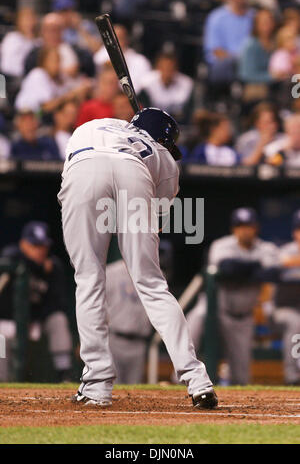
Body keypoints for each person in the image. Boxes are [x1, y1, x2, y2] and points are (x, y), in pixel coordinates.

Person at [58, 107, 217, 409]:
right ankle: (198, 382)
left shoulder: (95, 124)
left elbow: (71, 168)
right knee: (151, 284)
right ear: (163, 139)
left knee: (89, 279)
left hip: (83, 166)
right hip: (134, 171)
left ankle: (97, 386)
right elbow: (159, 216)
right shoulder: (164, 157)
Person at [208, 207, 279, 384]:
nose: (245, 230)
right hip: (217, 311)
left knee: (241, 376)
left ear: (256, 228)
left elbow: (271, 273)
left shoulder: (266, 248)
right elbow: (227, 268)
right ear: (234, 229)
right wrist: (255, 268)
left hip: (243, 317)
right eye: (240, 226)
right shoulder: (221, 245)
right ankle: (177, 381)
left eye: (249, 225)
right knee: (195, 323)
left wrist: (241, 269)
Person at [0, 221, 73, 382]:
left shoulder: (54, 267)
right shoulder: (12, 258)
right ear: (23, 244)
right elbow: (9, 253)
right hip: (6, 322)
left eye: (43, 246)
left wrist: (36, 319)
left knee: (58, 320)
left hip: (35, 322)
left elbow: (58, 304)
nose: (40, 251)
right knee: (0, 342)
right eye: (34, 245)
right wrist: (39, 267)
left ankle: (64, 374)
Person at [106, 259, 152, 384]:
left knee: (134, 391)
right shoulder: (111, 272)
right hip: (114, 340)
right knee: (114, 389)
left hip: (139, 342)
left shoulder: (152, 272)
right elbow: (97, 306)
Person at [15, 47, 91, 114]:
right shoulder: (38, 74)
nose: (57, 64)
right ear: (44, 61)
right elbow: (47, 107)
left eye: (59, 61)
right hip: (25, 115)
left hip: (41, 117)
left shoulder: (58, 78)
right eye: (54, 61)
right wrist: (73, 93)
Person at [272, 209, 300, 385]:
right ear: (294, 232)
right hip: (280, 310)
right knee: (295, 321)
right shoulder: (283, 251)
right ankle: (293, 377)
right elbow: (274, 265)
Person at [24, 13, 95, 78]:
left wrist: (78, 67)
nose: (53, 34)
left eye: (57, 29)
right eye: (49, 30)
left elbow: (90, 68)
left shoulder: (76, 50)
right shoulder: (34, 55)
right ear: (42, 32)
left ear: (63, 31)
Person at [203, 0, 255, 83]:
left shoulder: (254, 16)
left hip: (251, 63)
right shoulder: (216, 17)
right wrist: (238, 60)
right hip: (225, 63)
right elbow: (216, 50)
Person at [94, 24, 151, 94]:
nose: (115, 41)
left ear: (127, 39)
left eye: (119, 38)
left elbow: (144, 86)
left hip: (131, 98)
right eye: (112, 38)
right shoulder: (101, 55)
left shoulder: (141, 61)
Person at [138, 53, 194, 123]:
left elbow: (188, 110)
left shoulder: (186, 83)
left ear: (176, 68)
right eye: (165, 67)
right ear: (158, 67)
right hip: (152, 121)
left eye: (171, 67)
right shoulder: (147, 82)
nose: (168, 71)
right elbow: (142, 108)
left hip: (179, 122)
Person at [238, 10, 276, 92]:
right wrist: (271, 76)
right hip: (256, 86)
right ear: (256, 25)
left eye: (270, 21)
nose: (268, 25)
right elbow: (246, 75)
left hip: (276, 84)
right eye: (264, 22)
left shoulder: (276, 42)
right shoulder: (250, 46)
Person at [0, 8, 38, 78]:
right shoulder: (12, 38)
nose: (29, 22)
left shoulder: (39, 41)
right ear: (19, 21)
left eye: (31, 18)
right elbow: (6, 65)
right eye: (26, 19)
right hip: (14, 79)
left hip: (33, 77)